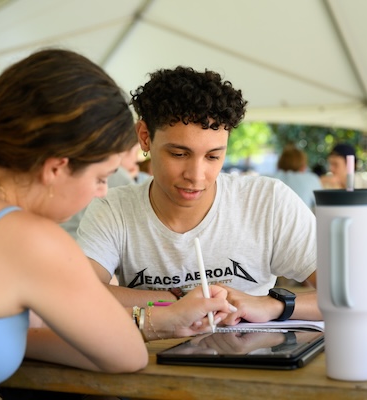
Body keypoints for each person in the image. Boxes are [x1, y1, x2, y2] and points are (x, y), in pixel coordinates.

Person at [0, 49, 234, 400]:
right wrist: (154, 321)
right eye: (101, 177)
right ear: (56, 168)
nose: (102, 192)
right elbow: (126, 355)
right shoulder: (30, 239)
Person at [76, 66, 322, 330]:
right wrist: (177, 302)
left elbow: (349, 294)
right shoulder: (114, 209)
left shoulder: (267, 201)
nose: (196, 175)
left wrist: (272, 306)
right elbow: (76, 294)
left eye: (213, 156)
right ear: (145, 137)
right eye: (179, 154)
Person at [271, 145, 322, 210]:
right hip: (303, 216)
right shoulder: (311, 179)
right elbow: (321, 205)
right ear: (303, 166)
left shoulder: (271, 179)